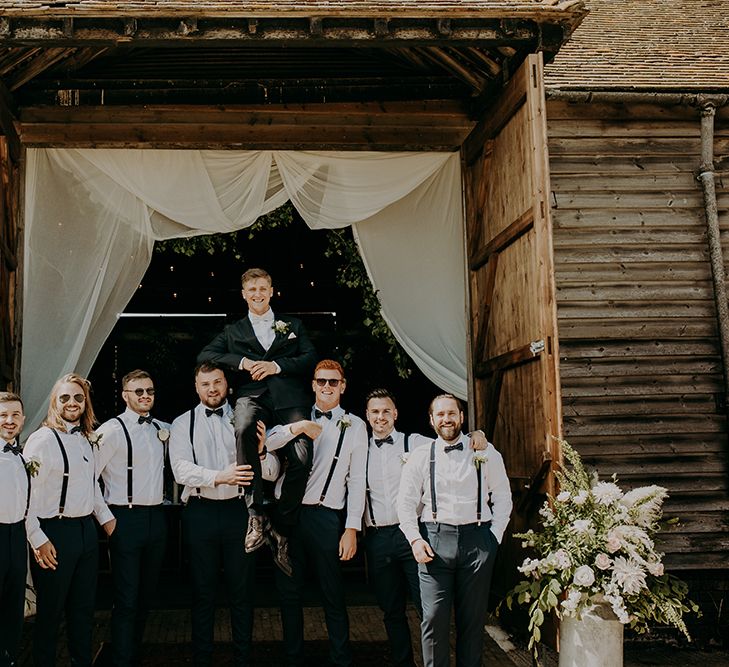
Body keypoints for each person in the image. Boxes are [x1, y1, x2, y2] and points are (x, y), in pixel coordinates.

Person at [363, 388, 488, 667]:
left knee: (429, 611)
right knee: (391, 610)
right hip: (378, 537)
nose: (381, 417)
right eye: (375, 411)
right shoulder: (359, 446)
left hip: (415, 537)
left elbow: (450, 440)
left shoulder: (416, 442)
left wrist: (477, 435)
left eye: (386, 411)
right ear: (367, 416)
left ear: (395, 414)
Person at [197, 267, 317, 554]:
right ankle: (255, 515)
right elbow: (205, 355)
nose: (258, 294)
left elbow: (310, 357)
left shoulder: (292, 325)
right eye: (252, 290)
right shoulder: (233, 331)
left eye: (263, 288)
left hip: (289, 401)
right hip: (252, 396)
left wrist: (276, 366)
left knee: (301, 458)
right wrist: (242, 363)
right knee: (243, 427)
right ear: (243, 294)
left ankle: (282, 526)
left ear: (271, 291)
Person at [169, 361, 280, 667]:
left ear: (227, 385)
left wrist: (260, 451)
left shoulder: (247, 419)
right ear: (196, 387)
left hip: (239, 512)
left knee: (242, 590)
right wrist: (220, 476)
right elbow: (180, 470)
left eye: (217, 382)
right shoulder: (182, 424)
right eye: (205, 384)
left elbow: (271, 472)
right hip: (201, 512)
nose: (212, 389)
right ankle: (202, 658)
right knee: (202, 592)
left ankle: (242, 658)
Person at [397, 394, 512, 667]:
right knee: (433, 619)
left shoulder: (485, 451)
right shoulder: (421, 456)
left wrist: (493, 537)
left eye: (452, 413)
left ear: (462, 417)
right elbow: (405, 503)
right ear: (431, 420)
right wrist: (415, 539)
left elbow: (503, 497)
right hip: (434, 541)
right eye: (440, 414)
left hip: (477, 541)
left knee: (472, 621)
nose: (446, 419)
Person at [266, 360, 366, 667]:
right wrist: (298, 427)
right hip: (288, 515)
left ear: (343, 386)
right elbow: (267, 442)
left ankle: (341, 659)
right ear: (312, 384)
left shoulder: (356, 425)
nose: (326, 387)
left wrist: (351, 528)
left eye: (333, 382)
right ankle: (293, 658)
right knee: (289, 593)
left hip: (325, 518)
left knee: (332, 592)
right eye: (321, 381)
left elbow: (357, 480)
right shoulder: (295, 414)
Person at [24, 373, 116, 667]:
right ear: (55, 402)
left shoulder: (87, 439)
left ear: (85, 402)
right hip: (54, 533)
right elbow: (26, 496)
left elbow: (91, 487)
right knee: (50, 615)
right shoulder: (41, 440)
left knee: (83, 611)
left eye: (78, 397)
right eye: (65, 397)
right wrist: (38, 539)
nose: (72, 402)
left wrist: (108, 522)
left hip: (86, 533)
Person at [95, 369, 169, 666]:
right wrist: (107, 519)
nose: (145, 396)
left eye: (149, 390)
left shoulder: (162, 428)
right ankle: (121, 659)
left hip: (157, 519)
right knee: (126, 598)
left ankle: (133, 651)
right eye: (138, 391)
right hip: (124, 520)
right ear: (125, 395)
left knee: (146, 595)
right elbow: (89, 477)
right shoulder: (111, 431)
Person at [0, 391, 28, 667]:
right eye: (3, 415)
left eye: (15, 415)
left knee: (12, 611)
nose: (9, 420)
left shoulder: (20, 456)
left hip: (16, 536)